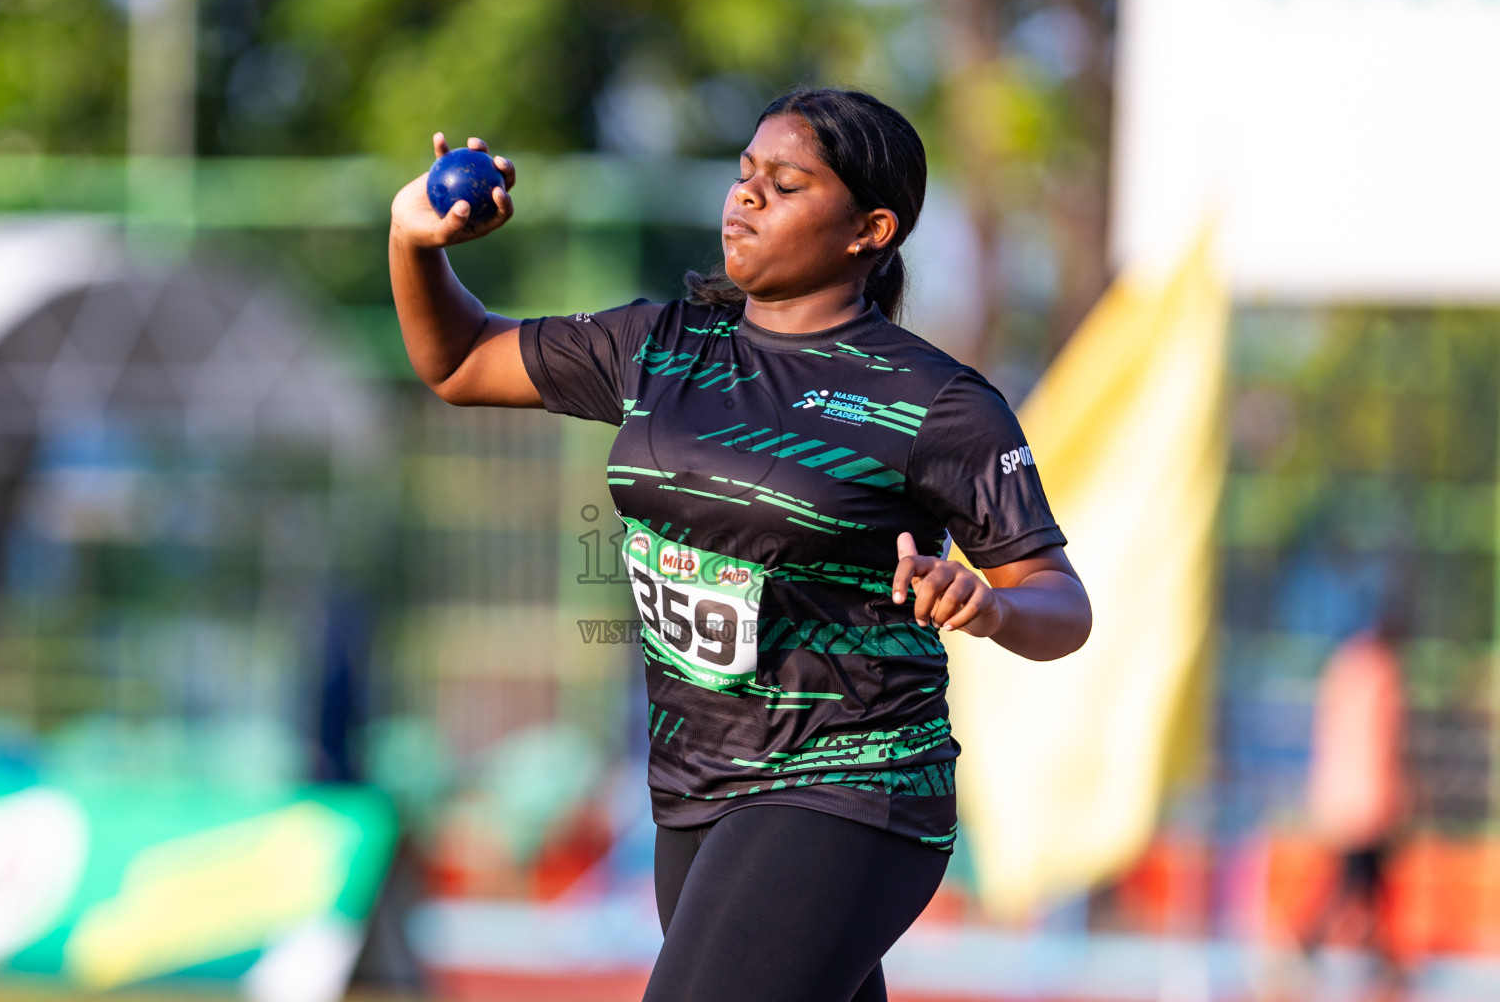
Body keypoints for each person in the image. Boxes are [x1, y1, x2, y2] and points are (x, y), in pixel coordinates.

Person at [389, 88, 1093, 1002]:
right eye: (744, 175)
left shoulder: (936, 402)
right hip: (695, 784)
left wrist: (990, 603)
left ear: (868, 230)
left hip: (850, 779)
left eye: (786, 183)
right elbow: (459, 361)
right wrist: (415, 243)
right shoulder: (661, 348)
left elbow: (1062, 605)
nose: (746, 198)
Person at [1300, 619, 1408, 981]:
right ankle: (1310, 942)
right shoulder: (1380, 673)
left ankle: (1384, 956)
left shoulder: (1344, 668)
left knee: (1366, 881)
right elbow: (1382, 743)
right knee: (1355, 879)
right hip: (1366, 799)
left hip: (1345, 794)